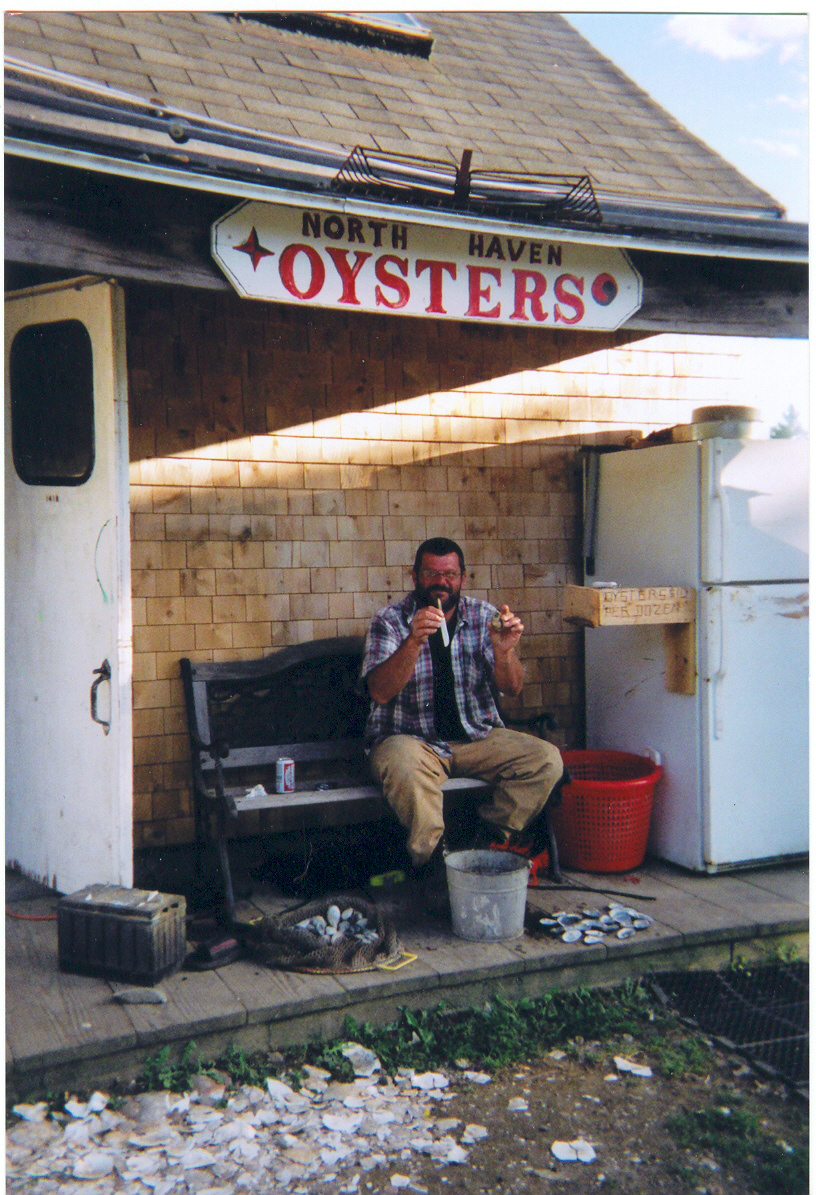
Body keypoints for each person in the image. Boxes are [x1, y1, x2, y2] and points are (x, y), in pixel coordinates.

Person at [360, 536, 563, 911]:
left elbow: (512, 688)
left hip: (475, 738)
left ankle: (482, 846)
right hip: (411, 740)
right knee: (403, 765)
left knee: (546, 759)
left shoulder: (483, 616)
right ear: (414, 576)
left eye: (449, 574)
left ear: (463, 578)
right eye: (431, 574)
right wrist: (413, 642)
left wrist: (505, 651)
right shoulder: (389, 620)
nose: (441, 582)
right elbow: (380, 693)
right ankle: (434, 864)